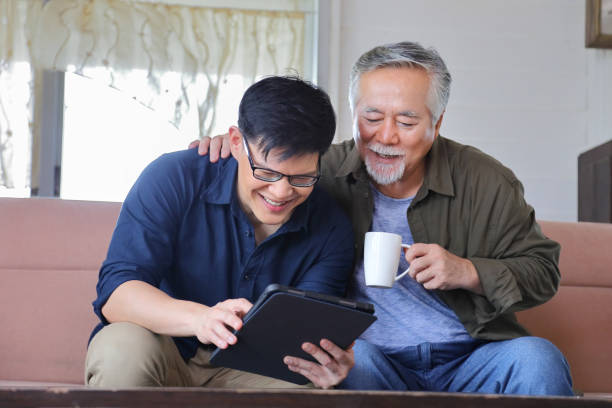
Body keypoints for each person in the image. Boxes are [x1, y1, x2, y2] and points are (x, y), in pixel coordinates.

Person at [197, 42, 574, 395]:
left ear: (437, 123)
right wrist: (235, 152)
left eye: (407, 123)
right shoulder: (319, 173)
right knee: (351, 362)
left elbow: (543, 272)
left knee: (538, 359)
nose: (386, 136)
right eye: (372, 117)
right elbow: (265, 171)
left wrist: (468, 272)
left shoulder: (486, 181)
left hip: (472, 354)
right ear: (352, 113)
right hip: (369, 358)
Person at [85, 76, 356, 389]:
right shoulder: (174, 178)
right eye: (266, 172)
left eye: (302, 178)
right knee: (120, 351)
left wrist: (326, 363)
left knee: (307, 390)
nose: (281, 192)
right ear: (237, 142)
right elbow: (117, 294)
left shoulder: (332, 225)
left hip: (253, 368)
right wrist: (200, 319)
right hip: (161, 345)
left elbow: (304, 340)